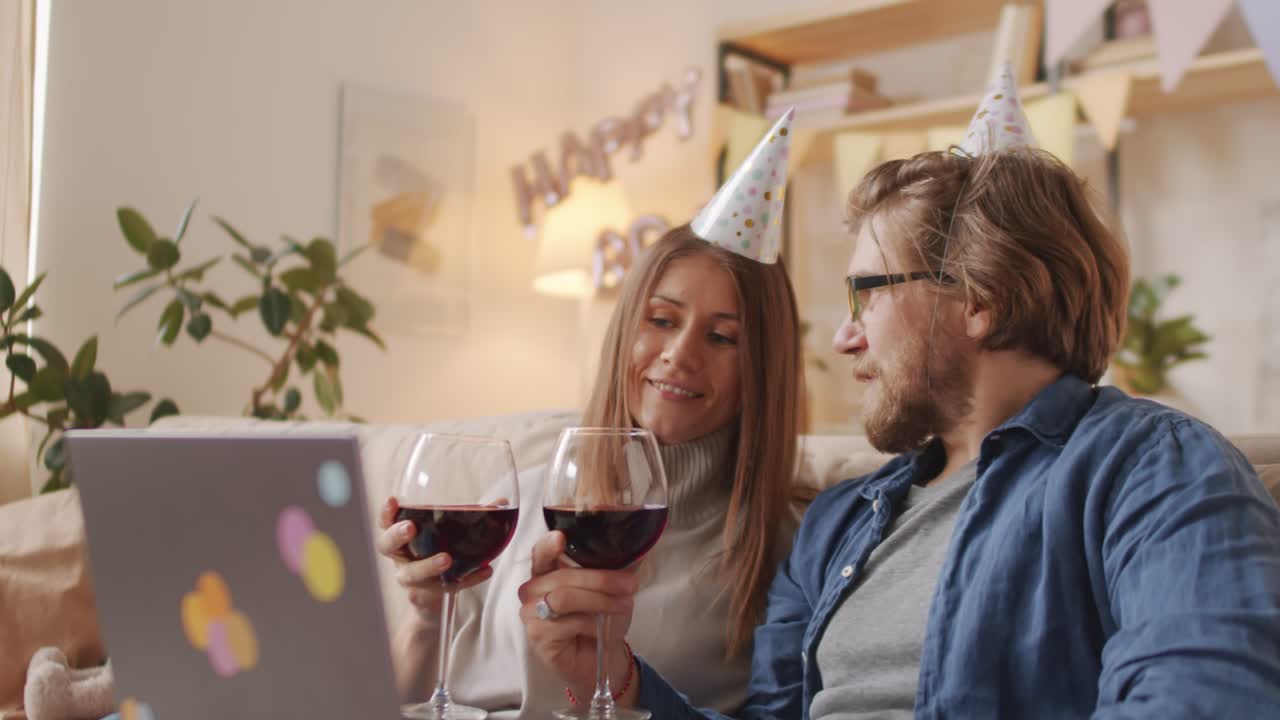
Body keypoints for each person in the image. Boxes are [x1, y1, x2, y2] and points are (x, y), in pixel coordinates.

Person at [522, 67, 1280, 717]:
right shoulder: (838, 523)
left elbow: (1202, 698)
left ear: (978, 299)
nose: (845, 339)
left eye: (868, 296)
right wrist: (620, 681)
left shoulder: (1153, 472)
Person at [378, 110, 811, 718]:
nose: (678, 355)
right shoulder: (510, 504)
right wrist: (425, 619)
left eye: (722, 338)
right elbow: (385, 703)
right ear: (626, 329)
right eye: (661, 320)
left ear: (762, 370)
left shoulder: (789, 547)